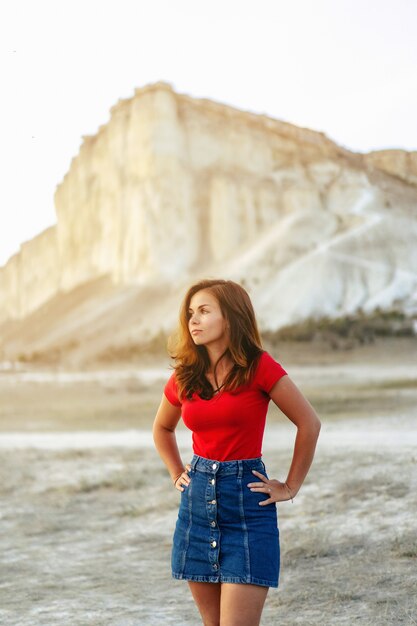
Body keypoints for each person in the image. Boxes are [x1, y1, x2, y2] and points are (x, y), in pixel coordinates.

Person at [152, 278, 321, 626]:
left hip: (246, 507)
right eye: (189, 313)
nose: (192, 320)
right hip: (196, 507)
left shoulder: (259, 366)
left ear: (229, 317)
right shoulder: (186, 375)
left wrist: (290, 486)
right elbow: (162, 428)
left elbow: (309, 423)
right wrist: (175, 471)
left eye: (203, 311)